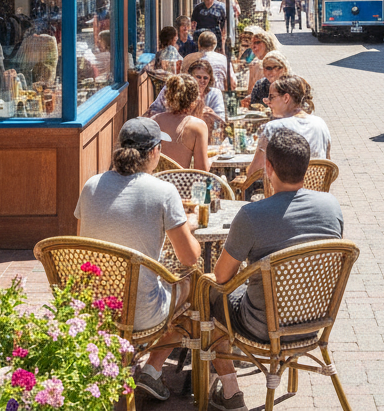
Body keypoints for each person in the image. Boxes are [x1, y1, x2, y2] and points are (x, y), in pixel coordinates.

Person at [204, 129, 343, 411]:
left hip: (264, 326)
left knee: (206, 290)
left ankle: (230, 392)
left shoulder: (251, 215)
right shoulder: (332, 206)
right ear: (307, 167)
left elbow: (221, 277)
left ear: (268, 168)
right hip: (315, 320)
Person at [75, 117, 200, 401]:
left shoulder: (91, 185)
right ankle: (153, 369)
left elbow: (83, 243)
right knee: (197, 286)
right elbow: (189, 257)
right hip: (140, 312)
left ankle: (117, 361)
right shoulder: (163, 192)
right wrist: (188, 226)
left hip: (95, 309)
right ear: (154, 152)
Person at [244, 74, 332, 179]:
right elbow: (328, 166)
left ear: (286, 98)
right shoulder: (320, 123)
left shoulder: (273, 127)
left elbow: (255, 171)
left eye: (271, 97)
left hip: (286, 193)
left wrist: (246, 173)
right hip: (317, 191)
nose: (268, 102)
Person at [151, 74, 211, 170]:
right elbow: (202, 170)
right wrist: (210, 162)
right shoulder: (197, 126)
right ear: (195, 99)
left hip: (155, 182)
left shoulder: (154, 121)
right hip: (180, 183)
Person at [149, 59, 226, 129]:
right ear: (190, 77)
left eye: (205, 78)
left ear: (210, 79)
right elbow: (153, 111)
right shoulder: (174, 88)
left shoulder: (214, 94)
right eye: (198, 77)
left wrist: (211, 116)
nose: (202, 81)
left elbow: (221, 123)